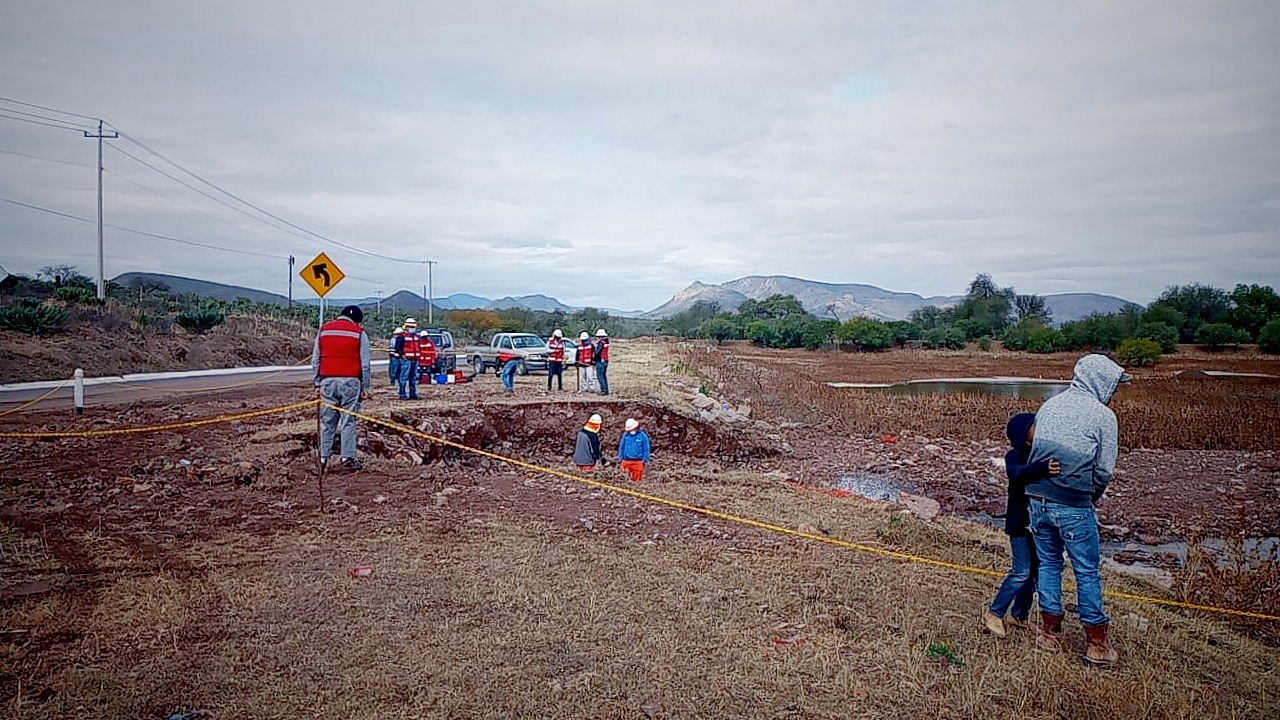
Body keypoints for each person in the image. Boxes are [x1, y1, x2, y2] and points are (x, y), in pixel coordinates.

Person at [1026, 353, 1130, 666]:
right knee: (1086, 570)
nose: (1115, 390)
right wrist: (1090, 497)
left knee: (1048, 564)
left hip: (1037, 499)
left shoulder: (1050, 405)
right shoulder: (1103, 416)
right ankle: (1097, 646)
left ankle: (1049, 635)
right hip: (1072, 504)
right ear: (1102, 381)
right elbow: (1104, 471)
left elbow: (1037, 454)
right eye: (1114, 384)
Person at [983, 413, 1060, 638]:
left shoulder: (1043, 453)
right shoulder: (1015, 456)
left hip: (1040, 524)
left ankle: (1019, 615)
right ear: (1023, 432)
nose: (1039, 428)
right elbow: (1016, 475)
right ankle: (994, 613)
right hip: (1019, 524)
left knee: (1035, 573)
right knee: (1021, 571)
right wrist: (1042, 469)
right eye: (1034, 426)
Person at [311, 304, 371, 471]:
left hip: (327, 382)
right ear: (357, 321)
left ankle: (322, 459)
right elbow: (365, 364)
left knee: (327, 422)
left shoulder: (324, 330)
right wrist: (365, 387)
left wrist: (317, 383)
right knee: (348, 421)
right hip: (350, 382)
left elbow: (315, 360)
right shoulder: (359, 333)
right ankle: (347, 458)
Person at [617, 417, 651, 482]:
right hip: (626, 461)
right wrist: (620, 459)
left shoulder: (642, 436)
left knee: (637, 481)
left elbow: (646, 449)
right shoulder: (625, 436)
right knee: (623, 480)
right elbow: (621, 447)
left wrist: (644, 460)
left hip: (638, 462)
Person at [394, 317, 420, 400]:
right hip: (406, 360)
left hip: (414, 360)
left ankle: (413, 393)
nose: (413, 329)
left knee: (413, 378)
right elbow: (397, 347)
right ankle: (402, 394)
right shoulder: (402, 336)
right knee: (403, 377)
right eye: (411, 327)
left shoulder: (416, 336)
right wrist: (402, 355)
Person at [593, 328, 611, 396]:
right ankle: (606, 390)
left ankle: (603, 390)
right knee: (604, 376)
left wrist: (594, 359)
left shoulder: (601, 343)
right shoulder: (606, 342)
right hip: (605, 360)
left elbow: (598, 353)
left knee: (600, 376)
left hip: (600, 361)